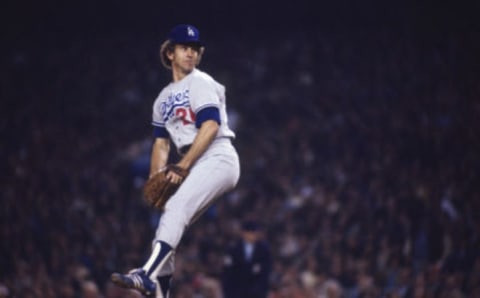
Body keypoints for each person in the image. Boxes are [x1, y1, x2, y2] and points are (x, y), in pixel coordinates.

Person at [110, 24, 241, 298]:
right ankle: (160, 292)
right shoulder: (162, 100)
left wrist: (182, 165)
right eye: (184, 48)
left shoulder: (201, 81)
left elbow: (210, 127)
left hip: (217, 155)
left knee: (177, 207)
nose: (190, 53)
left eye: (195, 49)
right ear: (170, 53)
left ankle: (145, 275)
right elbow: (161, 143)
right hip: (196, 162)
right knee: (171, 217)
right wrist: (155, 176)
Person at [221, 220, 272, 298]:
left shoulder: (264, 249)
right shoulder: (233, 248)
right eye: (251, 232)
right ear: (244, 233)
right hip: (236, 290)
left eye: (255, 232)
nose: (254, 235)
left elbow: (266, 269)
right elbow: (228, 271)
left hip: (256, 291)